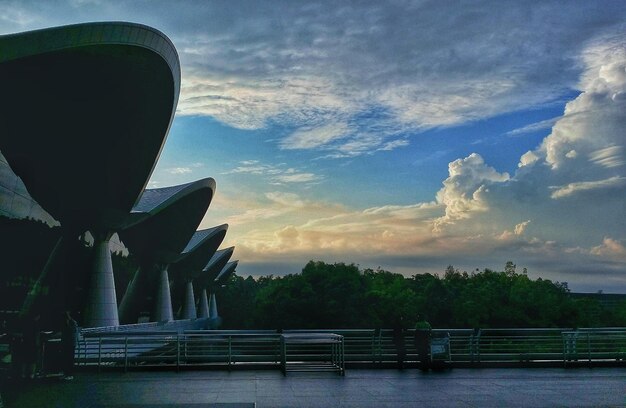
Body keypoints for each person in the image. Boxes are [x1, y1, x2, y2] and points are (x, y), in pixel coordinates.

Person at [60, 311, 78, 380]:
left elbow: (70, 331)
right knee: (67, 359)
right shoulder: (72, 322)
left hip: (69, 343)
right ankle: (66, 373)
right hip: (68, 343)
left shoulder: (72, 323)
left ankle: (69, 374)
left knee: (69, 359)